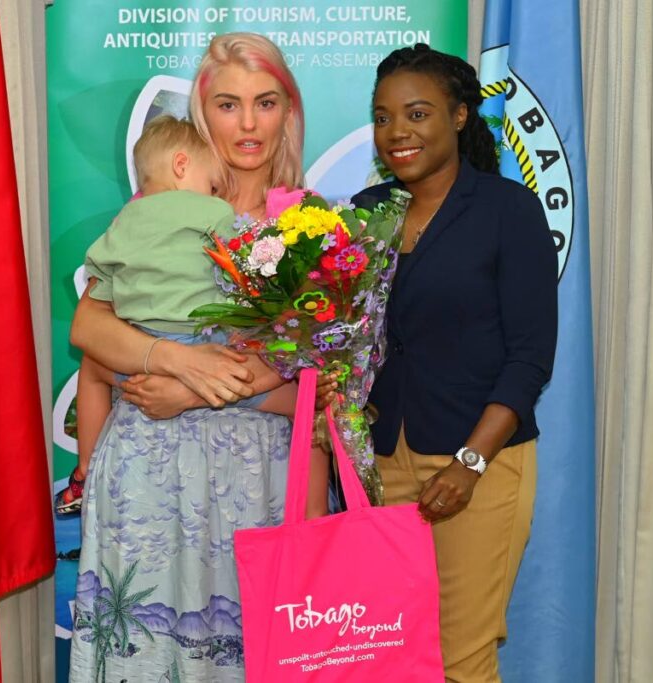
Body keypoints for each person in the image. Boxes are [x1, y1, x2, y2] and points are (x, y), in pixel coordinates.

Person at [68, 33, 320, 682]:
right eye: (228, 105)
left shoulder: (311, 223)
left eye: (265, 103)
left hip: (253, 482)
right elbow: (89, 326)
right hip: (144, 475)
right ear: (202, 110)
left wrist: (198, 387)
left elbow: (317, 363)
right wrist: (177, 360)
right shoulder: (156, 211)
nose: (247, 124)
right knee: (146, 650)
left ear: (287, 111)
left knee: (244, 653)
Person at [351, 44, 558, 682]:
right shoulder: (365, 214)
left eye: (417, 114)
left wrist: (469, 463)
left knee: (460, 661)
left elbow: (530, 359)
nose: (397, 133)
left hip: (478, 463)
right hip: (385, 462)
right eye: (383, 117)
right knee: (391, 654)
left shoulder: (508, 210)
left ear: (461, 115)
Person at [55, 114, 312, 517]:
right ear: (181, 166)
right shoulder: (215, 214)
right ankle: (312, 510)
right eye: (212, 183)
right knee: (303, 402)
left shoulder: (123, 223)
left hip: (141, 357)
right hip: (210, 349)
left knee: (91, 370)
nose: (214, 191)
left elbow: (100, 286)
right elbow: (246, 273)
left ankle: (85, 471)